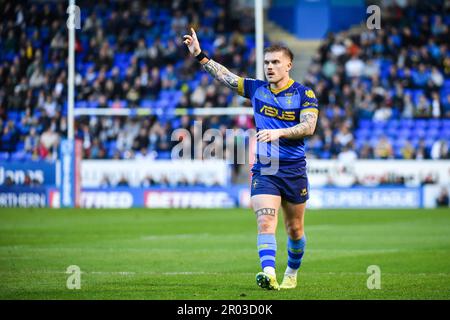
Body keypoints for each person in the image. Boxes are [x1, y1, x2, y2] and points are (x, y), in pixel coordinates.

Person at [183, 28, 319, 290]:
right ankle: (269, 273)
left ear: (289, 65)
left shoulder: (304, 94)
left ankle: (291, 272)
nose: (270, 67)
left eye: (276, 62)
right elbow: (226, 78)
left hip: (294, 169)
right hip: (266, 168)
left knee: (295, 229)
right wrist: (200, 55)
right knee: (266, 220)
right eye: (267, 62)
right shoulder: (257, 89)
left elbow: (309, 126)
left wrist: (279, 132)